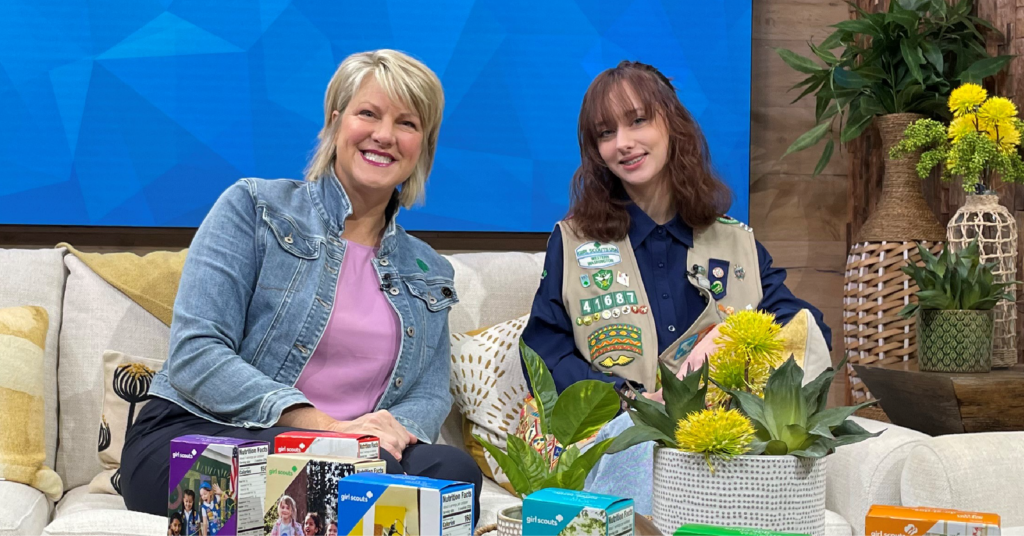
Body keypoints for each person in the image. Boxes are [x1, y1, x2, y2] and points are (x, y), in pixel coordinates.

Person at [120, 49, 482, 522]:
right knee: (345, 475)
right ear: (335, 124)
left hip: (359, 453)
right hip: (206, 433)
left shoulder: (430, 269)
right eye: (367, 113)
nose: (384, 135)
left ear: (423, 146)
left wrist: (389, 432)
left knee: (455, 472)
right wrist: (327, 428)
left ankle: (360, 482)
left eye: (407, 123)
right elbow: (196, 352)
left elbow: (430, 393)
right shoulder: (254, 208)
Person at [520, 60, 831, 513]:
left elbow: (803, 328)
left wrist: (731, 349)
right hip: (620, 438)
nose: (623, 144)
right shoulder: (572, 242)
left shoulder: (736, 242)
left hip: (724, 449)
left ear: (671, 122)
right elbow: (543, 352)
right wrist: (627, 400)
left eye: (638, 120)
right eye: (606, 133)